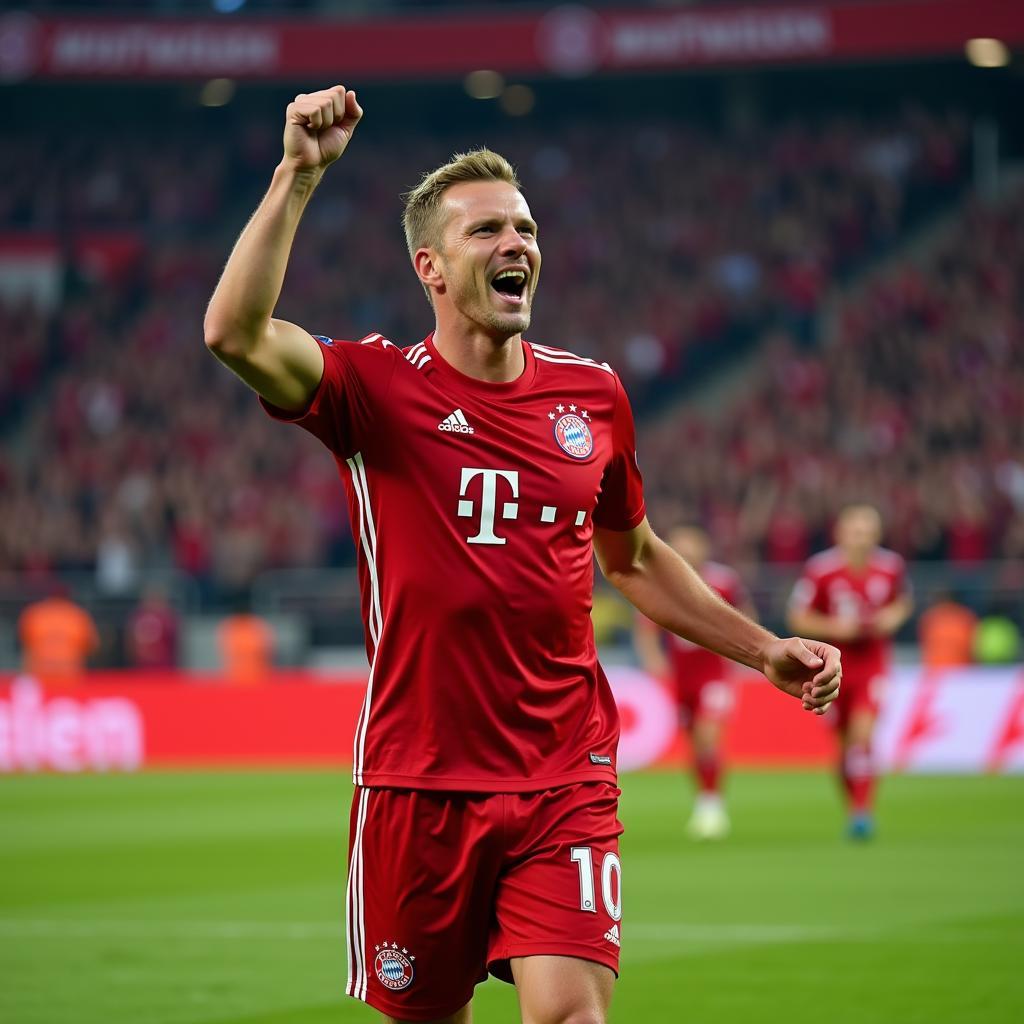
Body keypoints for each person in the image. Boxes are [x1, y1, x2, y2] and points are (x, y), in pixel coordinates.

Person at [204, 84, 841, 1024]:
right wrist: (298, 176)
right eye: (487, 231)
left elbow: (633, 558)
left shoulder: (594, 397)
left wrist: (765, 651)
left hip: (564, 770)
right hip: (417, 778)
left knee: (571, 1015)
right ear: (430, 266)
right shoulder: (372, 388)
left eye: (526, 227)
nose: (517, 245)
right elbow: (234, 333)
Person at [787, 504, 911, 841]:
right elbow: (798, 618)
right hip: (833, 666)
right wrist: (836, 627)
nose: (862, 539)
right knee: (843, 749)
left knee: (862, 736)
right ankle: (854, 807)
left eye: (869, 531)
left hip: (873, 666)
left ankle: (862, 811)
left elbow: (903, 602)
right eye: (856, 531)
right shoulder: (821, 570)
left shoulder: (890, 567)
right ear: (841, 533)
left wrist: (892, 618)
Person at [633, 524, 756, 840]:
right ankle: (705, 802)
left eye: (691, 543)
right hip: (682, 675)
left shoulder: (723, 581)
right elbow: (646, 629)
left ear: (704, 546)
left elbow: (746, 618)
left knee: (707, 735)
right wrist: (655, 663)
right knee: (694, 742)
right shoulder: (661, 582)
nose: (685, 550)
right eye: (679, 544)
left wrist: (744, 657)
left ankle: (712, 807)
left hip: (713, 673)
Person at [18, 587, 100, 688]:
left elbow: (25, 647)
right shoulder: (77, 615)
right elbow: (93, 646)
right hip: (68, 674)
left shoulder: (35, 613)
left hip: (42, 673)